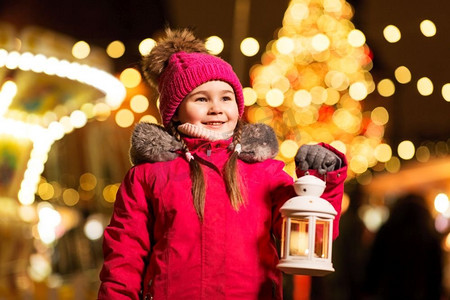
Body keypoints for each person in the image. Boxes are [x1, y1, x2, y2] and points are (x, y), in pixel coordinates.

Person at [98, 28, 347, 300]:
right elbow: (125, 256)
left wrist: (320, 178)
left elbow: (311, 232)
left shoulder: (264, 172)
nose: (216, 108)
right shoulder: (148, 176)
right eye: (201, 98)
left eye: (225, 97)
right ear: (175, 109)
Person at [364, 193, 443, 299]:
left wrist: (369, 289)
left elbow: (374, 263)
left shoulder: (387, 231)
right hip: (420, 293)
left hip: (388, 292)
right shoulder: (429, 235)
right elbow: (435, 274)